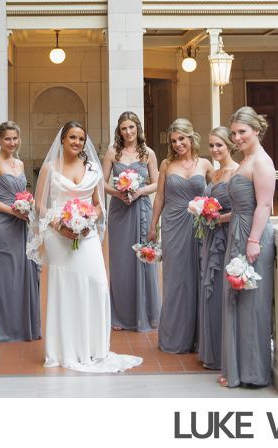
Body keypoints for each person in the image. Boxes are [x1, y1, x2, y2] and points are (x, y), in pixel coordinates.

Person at [28, 121, 141, 372]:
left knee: (98, 283)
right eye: (72, 137)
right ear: (63, 140)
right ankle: (64, 349)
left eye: (80, 138)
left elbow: (99, 203)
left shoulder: (93, 168)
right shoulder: (49, 168)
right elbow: (39, 205)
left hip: (87, 232)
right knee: (66, 289)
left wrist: (89, 218)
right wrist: (59, 224)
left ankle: (94, 348)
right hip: (58, 233)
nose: (76, 142)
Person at [220, 106, 276, 388]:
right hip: (237, 232)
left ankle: (253, 371)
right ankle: (237, 368)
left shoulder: (262, 162)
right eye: (234, 133)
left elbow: (264, 205)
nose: (237, 137)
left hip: (252, 237)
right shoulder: (246, 160)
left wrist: (253, 241)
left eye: (242, 132)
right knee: (237, 299)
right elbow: (243, 206)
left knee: (252, 302)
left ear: (256, 130)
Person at [149, 118, 209, 354]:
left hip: (199, 226)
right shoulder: (166, 164)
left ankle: (199, 337)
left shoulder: (206, 164)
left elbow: (219, 190)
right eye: (174, 141)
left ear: (191, 137)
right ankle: (175, 338)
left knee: (199, 276)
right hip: (173, 226)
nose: (177, 144)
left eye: (181, 139)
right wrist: (153, 225)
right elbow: (160, 197)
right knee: (175, 280)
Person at [0, 121, 40, 342]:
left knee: (21, 273)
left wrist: (27, 203)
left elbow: (22, 191)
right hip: (1, 225)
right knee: (4, 276)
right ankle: (2, 329)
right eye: (7, 139)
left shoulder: (20, 163)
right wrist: (13, 211)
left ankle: (21, 326)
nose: (12, 143)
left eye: (15, 138)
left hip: (20, 223)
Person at [102, 111, 161, 332]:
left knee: (143, 258)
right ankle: (121, 315)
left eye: (132, 128)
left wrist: (139, 191)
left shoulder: (148, 154)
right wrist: (118, 193)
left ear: (138, 129)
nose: (128, 132)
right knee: (120, 261)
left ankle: (145, 312)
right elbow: (101, 183)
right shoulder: (112, 153)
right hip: (119, 209)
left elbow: (157, 183)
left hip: (141, 208)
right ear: (119, 130)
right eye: (124, 128)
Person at [198, 127, 238, 370]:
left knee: (223, 288)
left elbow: (243, 209)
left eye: (219, 145)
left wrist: (216, 218)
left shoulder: (236, 173)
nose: (214, 150)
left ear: (229, 145)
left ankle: (224, 353)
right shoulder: (215, 174)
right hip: (211, 235)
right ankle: (211, 351)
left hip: (225, 236)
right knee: (210, 288)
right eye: (211, 145)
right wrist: (202, 210)